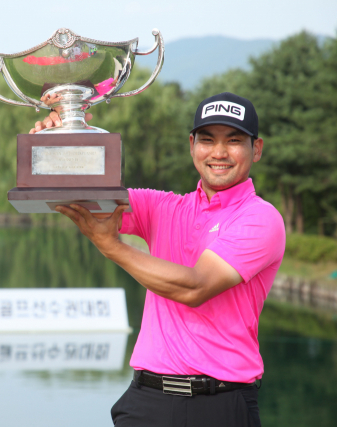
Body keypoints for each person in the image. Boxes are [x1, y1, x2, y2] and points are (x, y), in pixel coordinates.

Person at [30, 92, 285, 427]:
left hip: (219, 404)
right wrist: (62, 137)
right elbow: (75, 192)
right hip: (146, 402)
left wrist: (114, 248)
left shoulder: (260, 218)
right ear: (192, 145)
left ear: (257, 149)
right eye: (207, 140)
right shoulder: (165, 207)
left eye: (234, 141)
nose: (219, 153)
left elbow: (196, 287)